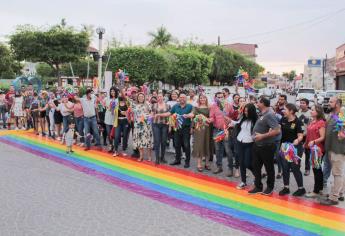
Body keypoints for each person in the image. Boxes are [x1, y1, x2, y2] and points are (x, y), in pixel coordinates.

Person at [248, 96, 280, 195]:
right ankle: (258, 186)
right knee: (256, 167)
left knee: (269, 168)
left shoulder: (270, 114)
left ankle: (270, 188)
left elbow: (277, 130)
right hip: (257, 145)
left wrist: (262, 136)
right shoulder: (262, 114)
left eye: (258, 102)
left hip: (267, 146)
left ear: (263, 103)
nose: (256, 103)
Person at [320, 97, 345, 205]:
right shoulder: (332, 115)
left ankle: (334, 198)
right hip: (330, 149)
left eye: (331, 102)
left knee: (337, 173)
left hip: (338, 149)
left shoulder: (342, 115)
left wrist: (342, 134)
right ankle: (339, 193)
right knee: (337, 173)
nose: (329, 103)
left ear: (338, 104)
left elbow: (342, 133)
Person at [278, 103, 306, 197]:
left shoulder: (298, 122)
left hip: (295, 148)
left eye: (285, 109)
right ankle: (286, 187)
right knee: (285, 168)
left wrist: (297, 140)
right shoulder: (283, 119)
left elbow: (301, 135)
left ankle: (301, 188)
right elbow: (278, 129)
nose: (283, 111)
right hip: (284, 146)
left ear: (291, 111)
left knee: (295, 168)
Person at [209, 92, 234, 175]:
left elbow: (233, 116)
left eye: (221, 97)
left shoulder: (228, 105)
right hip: (217, 130)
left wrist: (230, 122)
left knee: (228, 150)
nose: (220, 98)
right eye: (218, 97)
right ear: (215, 98)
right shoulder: (213, 106)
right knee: (217, 149)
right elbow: (212, 117)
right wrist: (209, 120)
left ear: (224, 97)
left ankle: (230, 168)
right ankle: (219, 167)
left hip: (226, 130)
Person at [233, 103, 258, 189]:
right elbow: (237, 124)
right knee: (241, 163)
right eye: (245, 111)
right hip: (240, 141)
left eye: (247, 111)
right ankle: (243, 182)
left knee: (247, 163)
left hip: (249, 143)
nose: (245, 113)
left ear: (252, 111)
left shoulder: (255, 120)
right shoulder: (243, 118)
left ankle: (257, 177)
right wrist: (229, 121)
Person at [304, 105, 326, 198]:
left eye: (313, 110)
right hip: (311, 149)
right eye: (311, 109)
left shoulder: (321, 122)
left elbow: (322, 137)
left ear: (318, 112)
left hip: (318, 150)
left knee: (316, 170)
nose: (311, 111)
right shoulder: (312, 121)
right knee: (317, 169)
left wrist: (313, 142)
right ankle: (319, 189)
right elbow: (309, 133)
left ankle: (316, 191)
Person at [168, 92, 193, 168]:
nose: (182, 99)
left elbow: (193, 116)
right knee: (177, 144)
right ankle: (177, 160)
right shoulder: (175, 106)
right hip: (176, 128)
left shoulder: (190, 106)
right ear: (179, 98)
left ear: (186, 99)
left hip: (186, 128)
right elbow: (169, 114)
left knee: (186, 145)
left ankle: (187, 162)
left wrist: (192, 128)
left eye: (183, 97)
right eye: (181, 97)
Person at [190, 94, 211, 172]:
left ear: (206, 99)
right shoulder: (195, 108)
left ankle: (207, 163)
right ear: (199, 99)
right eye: (201, 98)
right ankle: (199, 163)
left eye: (204, 98)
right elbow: (192, 117)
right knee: (199, 144)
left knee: (207, 144)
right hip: (199, 129)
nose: (202, 99)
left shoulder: (210, 108)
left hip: (208, 128)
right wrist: (192, 127)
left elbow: (212, 117)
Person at [131, 92, 153, 162]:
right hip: (138, 126)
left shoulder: (148, 104)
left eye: (142, 96)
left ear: (144, 97)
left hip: (146, 126)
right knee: (139, 141)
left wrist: (148, 118)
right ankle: (141, 156)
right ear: (137, 98)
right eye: (139, 96)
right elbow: (131, 113)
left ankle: (149, 156)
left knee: (148, 141)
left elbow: (152, 113)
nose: (141, 98)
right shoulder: (134, 105)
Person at [152, 92, 171, 164]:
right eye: (158, 97)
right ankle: (157, 158)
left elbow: (169, 115)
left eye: (161, 96)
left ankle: (162, 157)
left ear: (163, 97)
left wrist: (169, 126)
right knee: (157, 141)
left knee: (163, 142)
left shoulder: (168, 105)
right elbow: (152, 115)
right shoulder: (154, 105)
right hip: (156, 124)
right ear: (157, 98)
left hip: (165, 125)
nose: (159, 98)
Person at [297, 98, 312, 176]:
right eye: (301, 103)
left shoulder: (310, 113)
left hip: (307, 136)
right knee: (298, 152)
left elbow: (311, 125)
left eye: (303, 103)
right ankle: (296, 167)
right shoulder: (298, 112)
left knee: (307, 153)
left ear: (307, 105)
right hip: (299, 136)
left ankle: (307, 169)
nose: (301, 104)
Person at [104, 87, 118, 152]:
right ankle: (110, 145)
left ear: (116, 92)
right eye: (111, 91)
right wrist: (109, 107)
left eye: (114, 91)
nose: (112, 92)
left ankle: (115, 146)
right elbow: (105, 106)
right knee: (109, 133)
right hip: (107, 118)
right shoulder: (107, 99)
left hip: (115, 119)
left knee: (114, 134)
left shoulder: (118, 100)